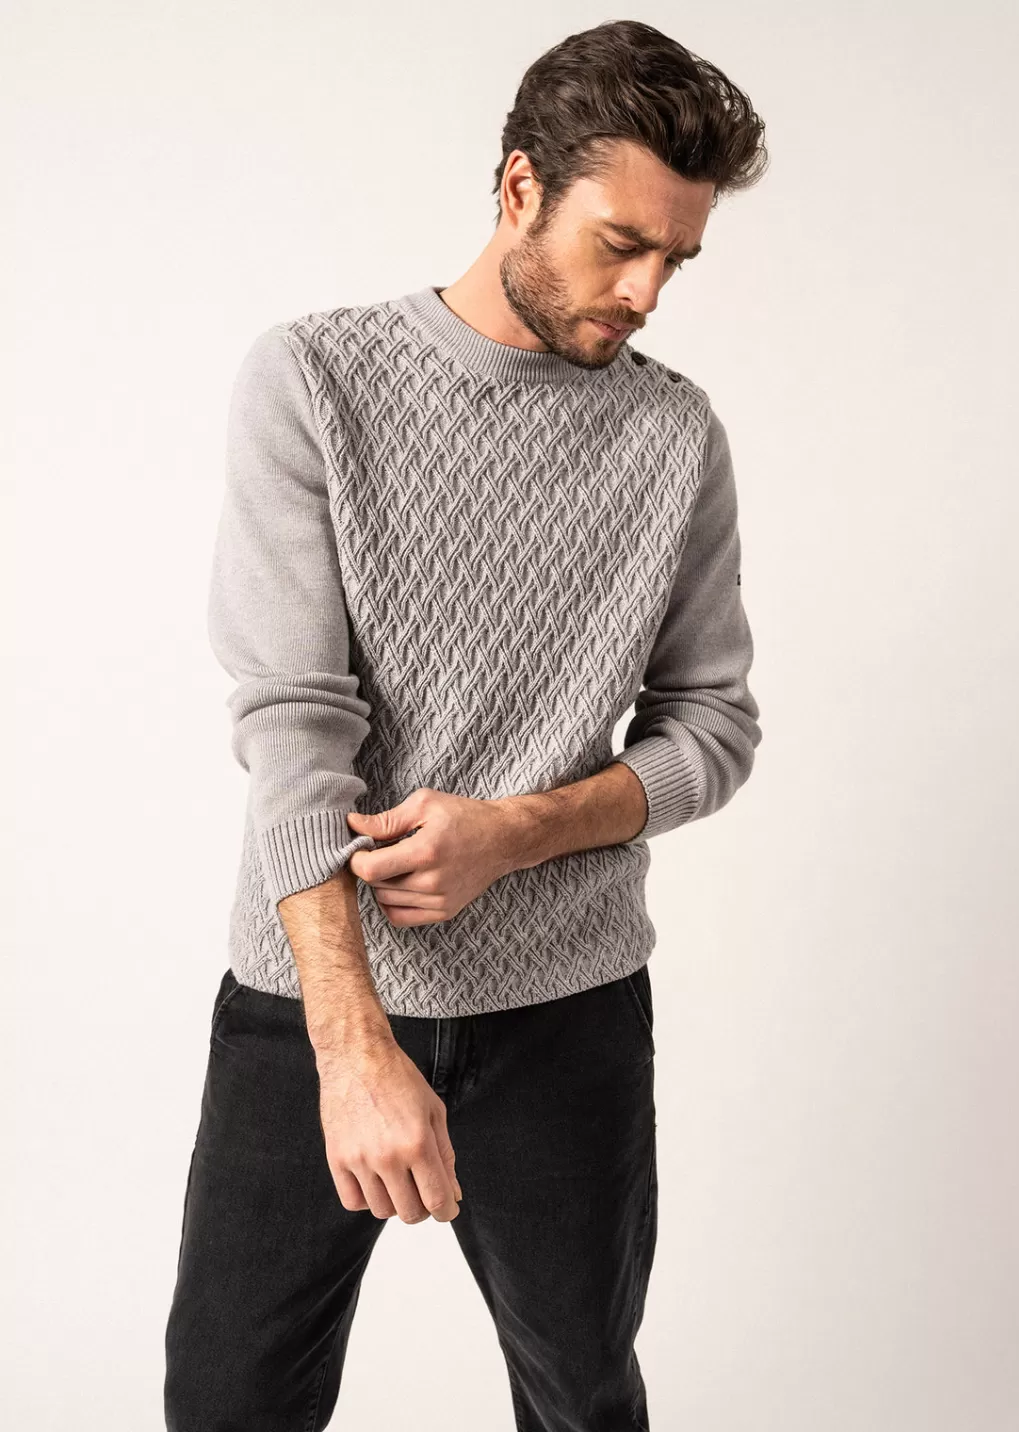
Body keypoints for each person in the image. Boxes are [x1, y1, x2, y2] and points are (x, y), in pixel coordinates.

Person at [164, 18, 767, 1431]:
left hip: (570, 1008)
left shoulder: (676, 436)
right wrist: (352, 1049)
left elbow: (713, 726)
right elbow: (294, 727)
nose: (649, 291)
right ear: (518, 189)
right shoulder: (315, 379)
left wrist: (517, 832)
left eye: (677, 258)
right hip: (311, 1001)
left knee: (582, 1398)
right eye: (622, 243)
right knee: (228, 1403)